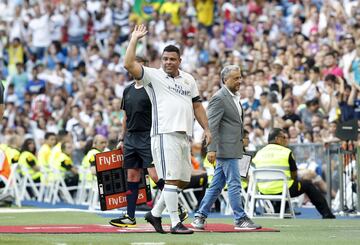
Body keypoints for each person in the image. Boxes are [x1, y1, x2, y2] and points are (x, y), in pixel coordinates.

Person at [123, 24, 211, 234]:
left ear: (179, 61)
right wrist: (135, 39)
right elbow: (128, 64)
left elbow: (197, 105)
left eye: (172, 59)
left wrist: (206, 129)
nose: (168, 62)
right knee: (170, 179)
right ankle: (174, 223)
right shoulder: (153, 76)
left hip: (184, 135)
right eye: (165, 59)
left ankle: (154, 214)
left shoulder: (188, 79)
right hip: (164, 134)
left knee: (181, 181)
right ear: (161, 60)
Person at [110, 55, 190, 229]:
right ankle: (129, 216)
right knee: (132, 176)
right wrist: (122, 138)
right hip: (131, 137)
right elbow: (125, 116)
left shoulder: (154, 88)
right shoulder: (128, 90)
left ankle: (177, 207)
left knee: (155, 175)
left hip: (149, 135)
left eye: (141, 66)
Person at [191, 65, 261, 230]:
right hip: (225, 149)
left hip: (231, 147)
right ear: (225, 80)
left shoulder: (233, 96)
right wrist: (211, 149)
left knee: (216, 186)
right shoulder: (219, 98)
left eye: (240, 77)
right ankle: (240, 218)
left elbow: (231, 124)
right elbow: (212, 126)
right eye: (236, 78)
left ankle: (200, 217)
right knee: (235, 183)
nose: (240, 81)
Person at [252, 128, 335, 219]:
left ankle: (281, 209)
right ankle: (326, 214)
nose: (286, 140)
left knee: (281, 185)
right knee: (307, 185)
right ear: (277, 139)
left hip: (263, 191)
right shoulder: (286, 152)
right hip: (283, 190)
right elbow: (294, 175)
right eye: (284, 137)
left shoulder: (259, 153)